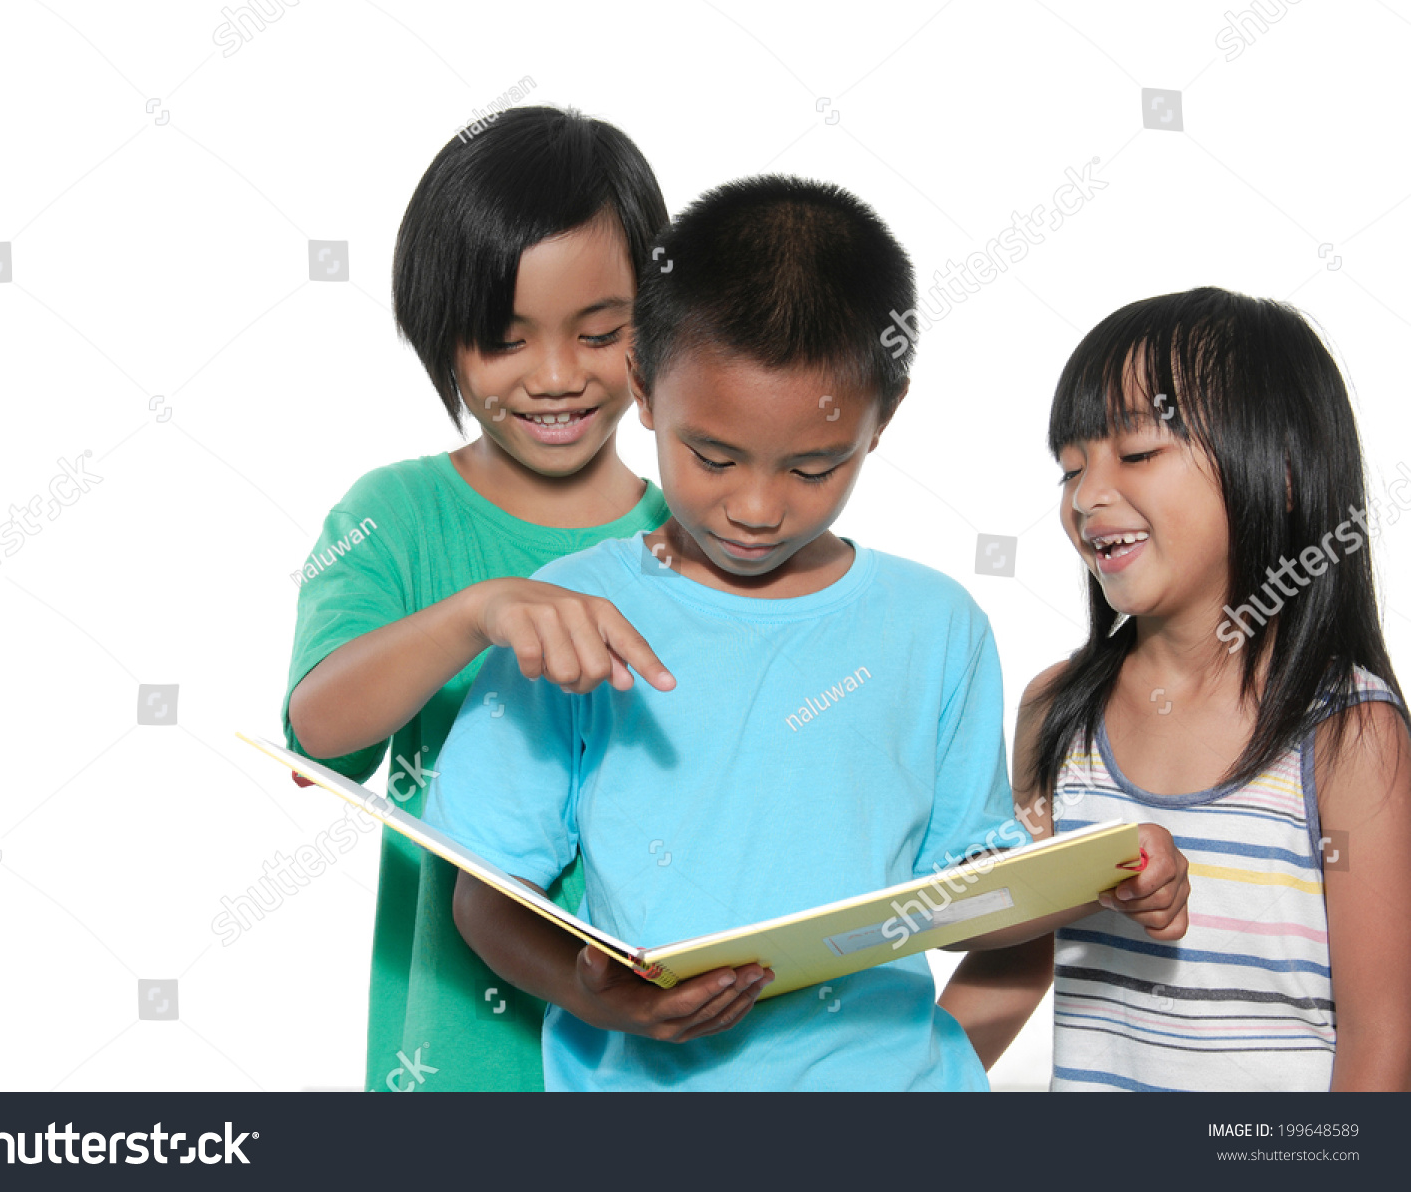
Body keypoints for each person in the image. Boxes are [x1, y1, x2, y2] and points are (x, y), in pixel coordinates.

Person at [422, 175, 1190, 1091]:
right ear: (643, 388)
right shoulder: (569, 613)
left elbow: (971, 895)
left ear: (883, 419)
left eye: (814, 466)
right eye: (713, 457)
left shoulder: (936, 625)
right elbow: (486, 894)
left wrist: (1088, 881)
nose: (755, 507)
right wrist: (604, 1002)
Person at [282, 106, 678, 1092]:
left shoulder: (701, 530)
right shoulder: (396, 515)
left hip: (663, 1045)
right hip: (457, 1051)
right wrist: (478, 612)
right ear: (442, 338)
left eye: (599, 333)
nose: (556, 377)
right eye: (505, 341)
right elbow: (320, 735)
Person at [953, 287, 1411, 1091]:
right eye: (1070, 467)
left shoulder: (1349, 732)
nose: (1087, 496)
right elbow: (1015, 959)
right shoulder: (1057, 709)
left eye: (1134, 454)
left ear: (1285, 470)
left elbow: (1384, 1034)